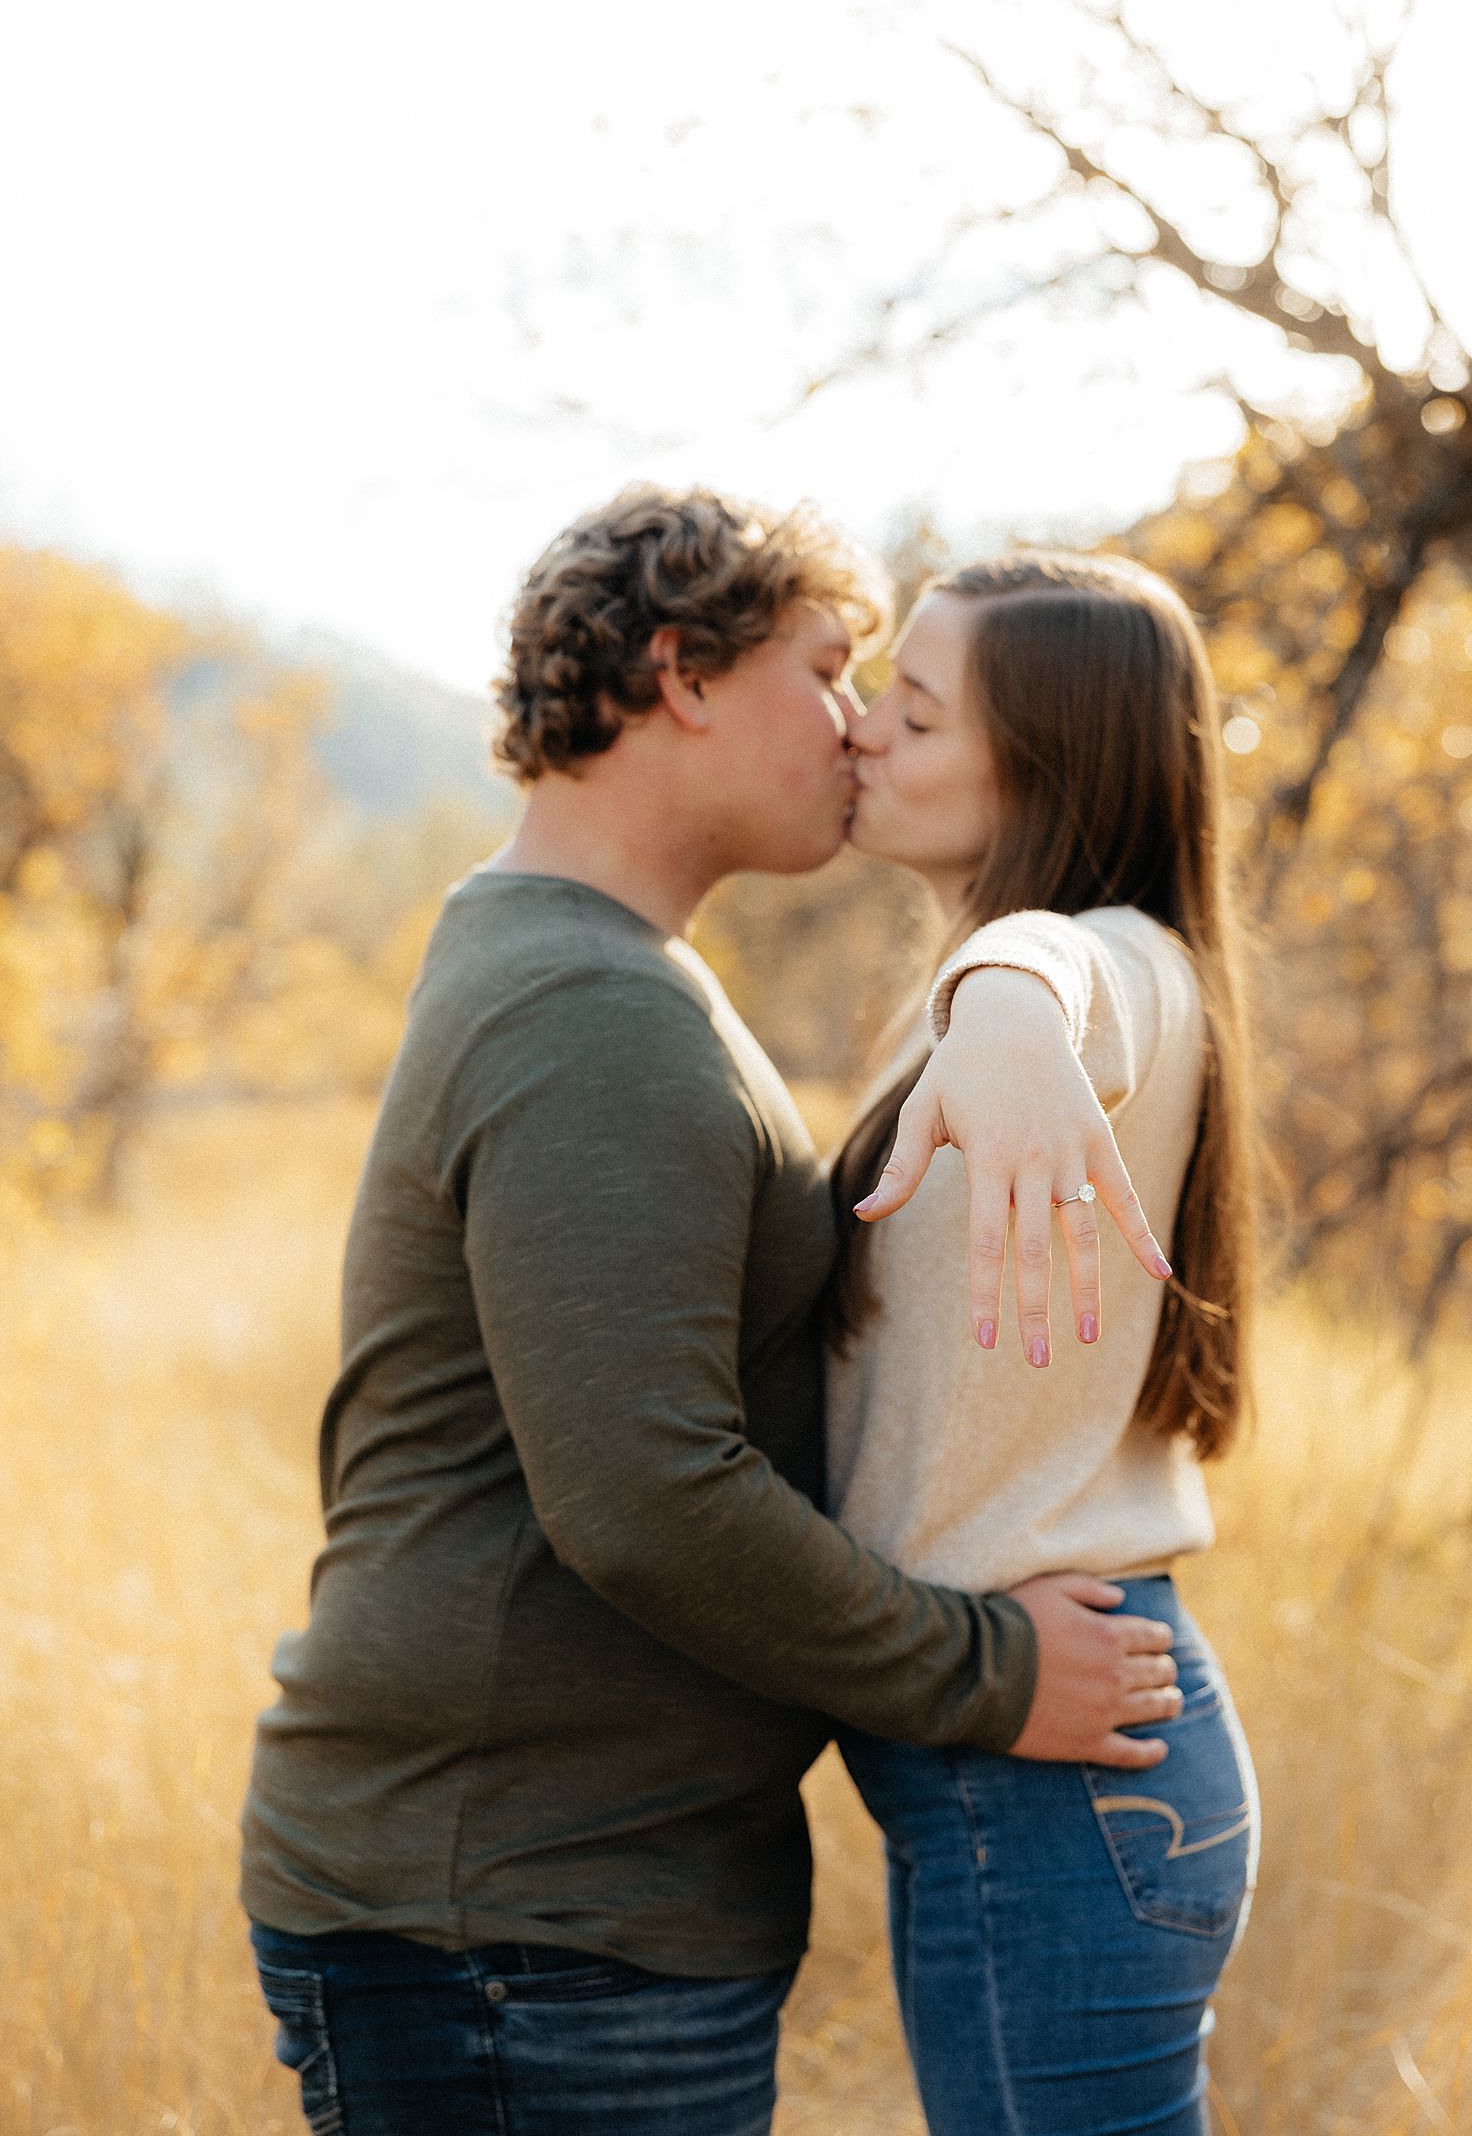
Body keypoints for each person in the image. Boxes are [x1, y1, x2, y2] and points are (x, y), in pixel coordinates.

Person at [240, 486, 1184, 2136]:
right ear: (683, 676)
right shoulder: (594, 1009)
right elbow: (644, 1496)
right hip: (519, 1920)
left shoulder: (595, 969)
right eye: (828, 673)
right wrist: (988, 1674)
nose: (851, 730)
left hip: (553, 1902)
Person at [827, 551, 1261, 2136]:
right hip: (1041, 1765)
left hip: (1062, 1780)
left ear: (1044, 772)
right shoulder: (948, 988)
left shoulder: (1109, 964)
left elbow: (1072, 978)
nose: (866, 733)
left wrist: (1008, 989)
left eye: (917, 715)